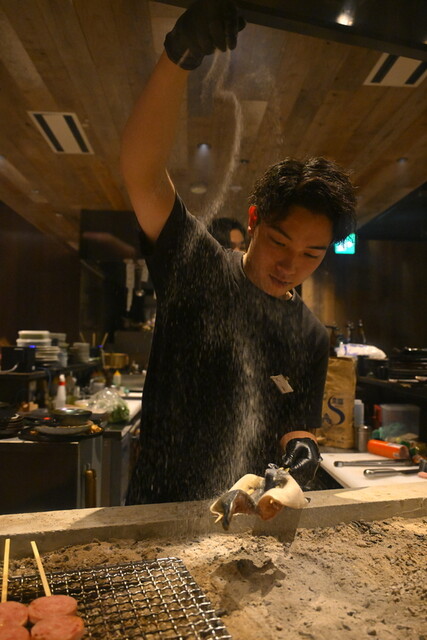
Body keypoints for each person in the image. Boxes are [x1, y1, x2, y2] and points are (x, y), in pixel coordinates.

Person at [121, 0, 356, 505]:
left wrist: (303, 454)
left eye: (312, 254)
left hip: (247, 522)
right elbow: (142, 172)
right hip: (158, 512)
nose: (290, 265)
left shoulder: (310, 335)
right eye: (279, 242)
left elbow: (296, 427)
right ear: (253, 221)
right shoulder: (197, 268)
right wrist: (178, 55)